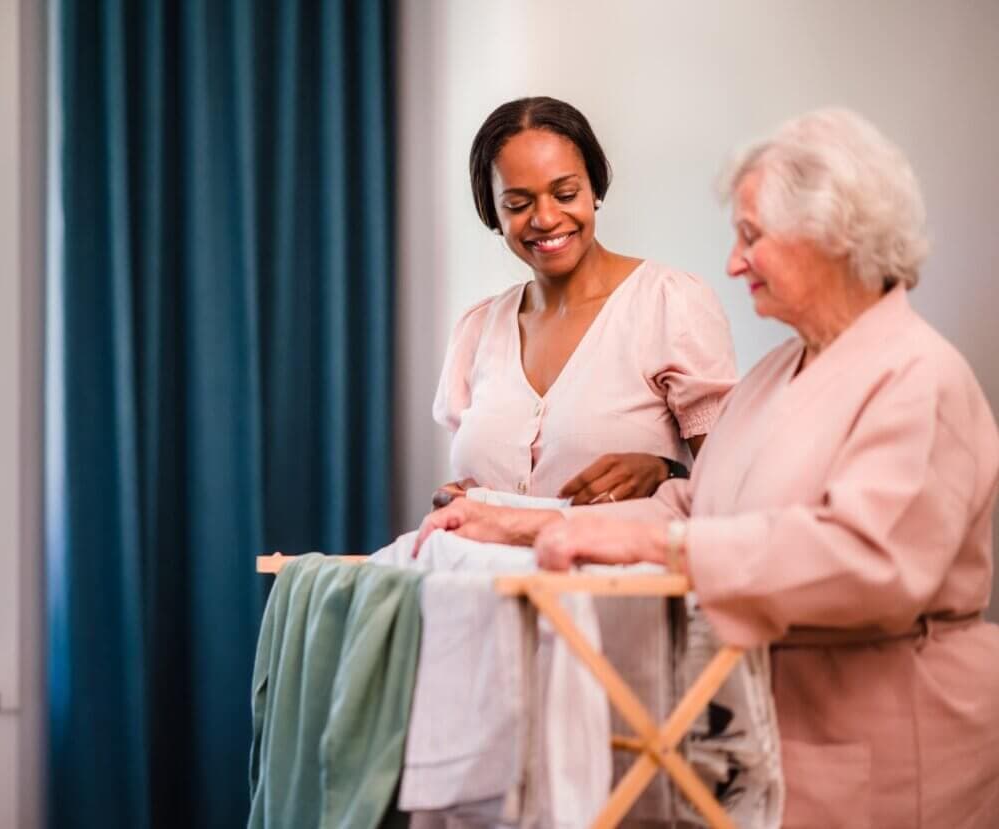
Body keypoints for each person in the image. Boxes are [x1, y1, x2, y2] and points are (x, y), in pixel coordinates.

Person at [415, 109, 999, 828]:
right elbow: (697, 506)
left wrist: (658, 546)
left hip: (888, 747)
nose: (733, 261)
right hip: (767, 738)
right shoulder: (781, 371)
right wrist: (512, 522)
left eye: (752, 236)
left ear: (835, 239)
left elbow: (866, 561)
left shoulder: (919, 377)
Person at [431, 96, 736, 510]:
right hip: (489, 573)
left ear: (594, 188)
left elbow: (733, 487)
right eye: (518, 205)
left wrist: (667, 472)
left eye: (565, 193)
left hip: (621, 574)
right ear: (493, 213)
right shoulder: (477, 329)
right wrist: (458, 502)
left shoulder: (669, 304)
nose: (545, 218)